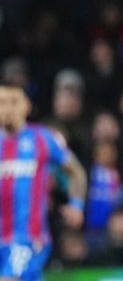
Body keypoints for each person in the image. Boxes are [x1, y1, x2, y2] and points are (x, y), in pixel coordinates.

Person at [0, 81, 87, 281]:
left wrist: (76, 204)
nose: (7, 109)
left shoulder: (43, 138)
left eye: (14, 102)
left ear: (26, 106)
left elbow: (76, 171)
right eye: (2, 102)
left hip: (29, 238)